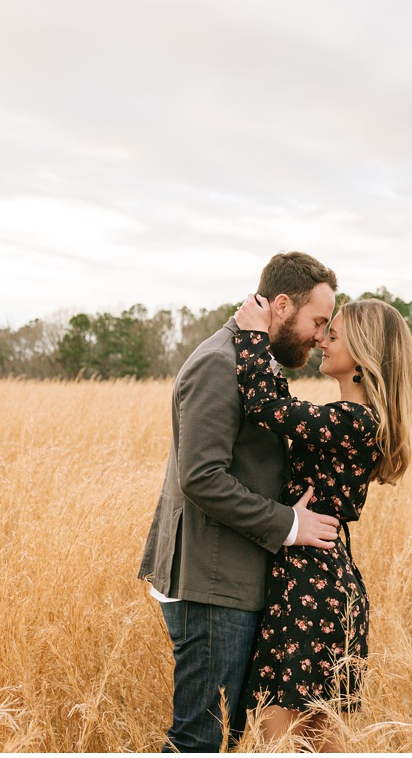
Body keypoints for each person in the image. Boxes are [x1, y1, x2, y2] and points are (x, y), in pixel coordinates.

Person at [139, 252, 343, 753]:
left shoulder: (250, 359)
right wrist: (289, 524)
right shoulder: (218, 362)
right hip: (210, 585)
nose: (321, 335)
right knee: (198, 741)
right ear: (280, 306)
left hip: (228, 579)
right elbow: (201, 477)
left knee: (220, 738)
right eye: (318, 321)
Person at [230, 294, 412, 752]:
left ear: (363, 354)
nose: (321, 344)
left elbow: (266, 407)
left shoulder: (352, 420)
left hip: (311, 587)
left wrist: (253, 334)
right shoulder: (350, 418)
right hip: (321, 580)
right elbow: (284, 407)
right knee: (316, 735)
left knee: (280, 737)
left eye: (332, 336)